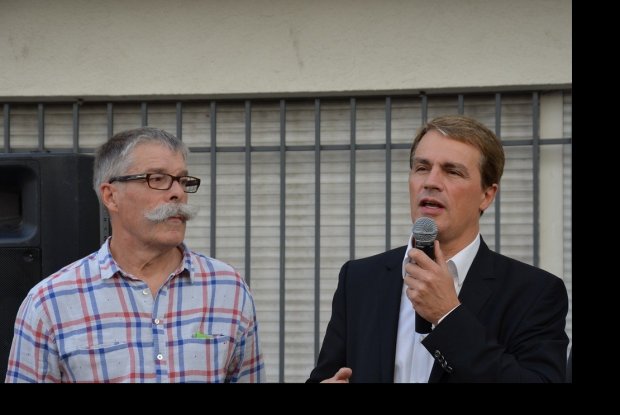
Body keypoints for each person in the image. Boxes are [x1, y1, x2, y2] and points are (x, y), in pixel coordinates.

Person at [308, 115, 569, 383]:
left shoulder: (534, 293)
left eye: (452, 171)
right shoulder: (360, 279)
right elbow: (326, 375)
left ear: (487, 195)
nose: (430, 182)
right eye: (421, 168)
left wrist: (447, 315)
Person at [5, 127, 265, 383]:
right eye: (157, 179)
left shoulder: (228, 289)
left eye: (183, 180)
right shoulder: (51, 302)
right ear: (111, 196)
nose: (178, 193)